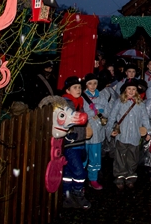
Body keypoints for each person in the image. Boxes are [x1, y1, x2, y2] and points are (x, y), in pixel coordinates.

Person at [106, 79, 151, 190]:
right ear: (125, 90)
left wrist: (149, 131)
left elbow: (145, 118)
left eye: (133, 89)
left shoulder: (140, 104)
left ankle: (130, 176)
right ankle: (120, 175)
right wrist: (109, 130)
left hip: (135, 136)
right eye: (129, 89)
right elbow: (112, 117)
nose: (131, 91)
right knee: (120, 156)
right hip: (122, 135)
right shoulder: (119, 102)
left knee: (133, 157)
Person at [61, 76, 91, 209]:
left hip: (79, 142)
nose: (78, 89)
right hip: (70, 143)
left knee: (68, 171)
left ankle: (67, 196)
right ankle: (78, 193)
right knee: (79, 172)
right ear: (68, 90)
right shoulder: (66, 104)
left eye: (79, 87)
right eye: (75, 87)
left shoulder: (79, 102)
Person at [82, 73, 108, 190]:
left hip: (97, 132)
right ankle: (80, 180)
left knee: (95, 157)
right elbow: (82, 113)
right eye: (90, 83)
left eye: (95, 83)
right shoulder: (82, 97)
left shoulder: (102, 96)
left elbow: (107, 111)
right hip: (85, 131)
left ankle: (93, 179)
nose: (93, 86)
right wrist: (94, 111)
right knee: (83, 157)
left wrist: (99, 111)